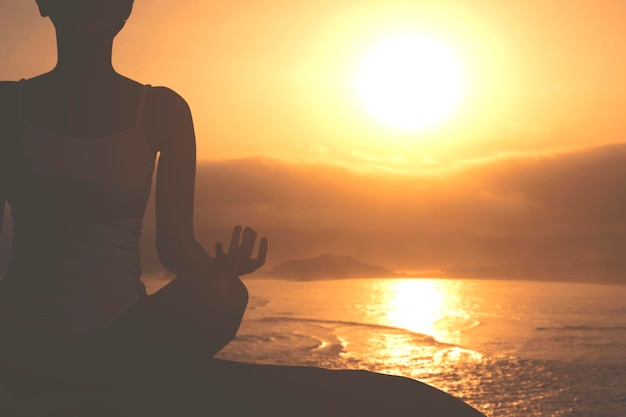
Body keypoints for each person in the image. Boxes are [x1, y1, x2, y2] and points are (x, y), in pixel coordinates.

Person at [0, 1, 486, 416]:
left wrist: (218, 270)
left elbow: (174, 248)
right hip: (24, 329)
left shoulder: (162, 110)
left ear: (125, 9)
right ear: (45, 3)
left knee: (226, 294)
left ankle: (82, 376)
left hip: (128, 330)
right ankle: (79, 377)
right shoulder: (9, 104)